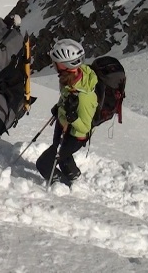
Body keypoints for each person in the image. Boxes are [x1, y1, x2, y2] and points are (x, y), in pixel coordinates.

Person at [35, 39, 98, 186]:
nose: (53, 65)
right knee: (62, 155)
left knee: (44, 164)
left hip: (75, 136)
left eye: (55, 62)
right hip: (64, 123)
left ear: (65, 65)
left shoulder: (84, 97)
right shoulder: (69, 79)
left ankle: (62, 186)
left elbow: (85, 129)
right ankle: (73, 175)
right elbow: (65, 97)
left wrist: (73, 118)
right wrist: (60, 107)